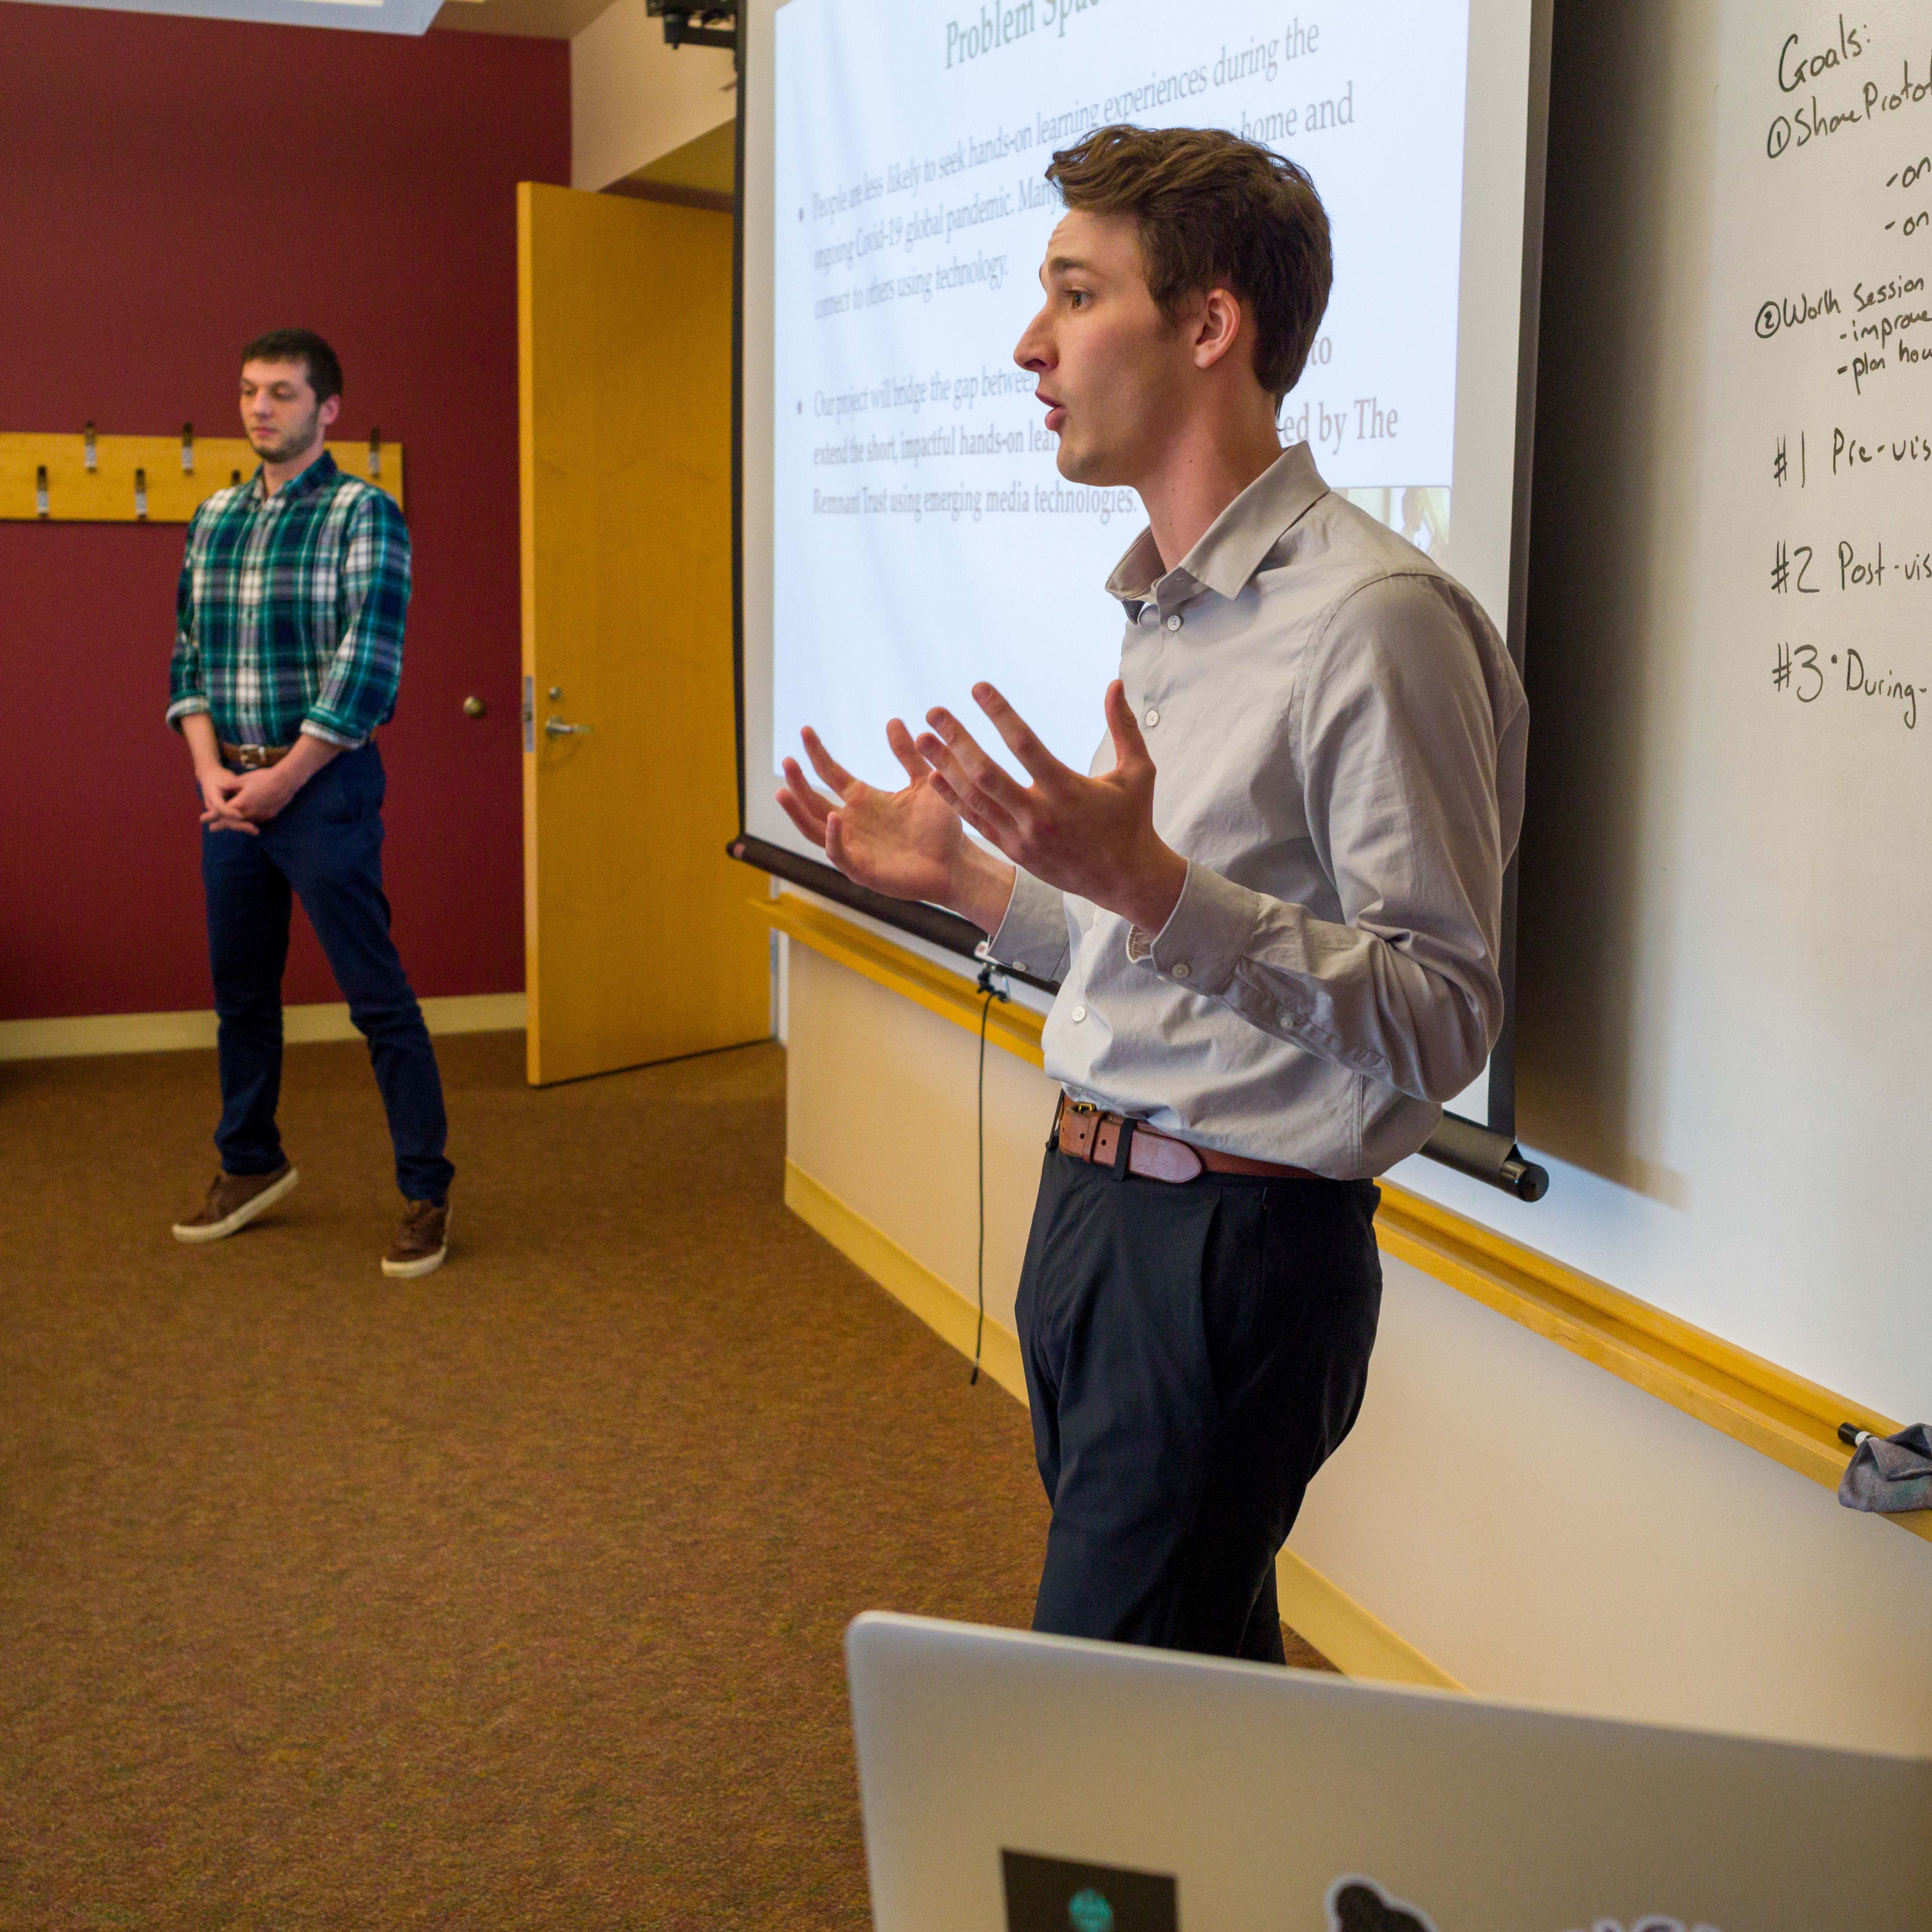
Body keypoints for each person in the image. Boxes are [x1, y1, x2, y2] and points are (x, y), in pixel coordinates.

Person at [777, 126, 1527, 1660]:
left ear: (1207, 324)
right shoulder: (1171, 614)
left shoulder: (1373, 623)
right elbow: (1166, 951)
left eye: (1072, 291)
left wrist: (1157, 885)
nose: (1026, 343)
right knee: (1193, 1689)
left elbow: (1442, 1015)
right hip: (1096, 1218)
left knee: (1098, 1719)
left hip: (1230, 1253)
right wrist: (984, 886)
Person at [166, 328, 454, 1279]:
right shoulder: (213, 518)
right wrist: (210, 775)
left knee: (376, 999)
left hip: (321, 790)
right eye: (250, 390)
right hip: (233, 790)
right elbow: (189, 661)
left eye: (282, 393)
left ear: (327, 408)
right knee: (241, 995)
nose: (259, 409)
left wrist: (280, 781)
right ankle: (249, 1162)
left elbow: (365, 670)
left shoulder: (364, 514)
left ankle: (425, 1190)